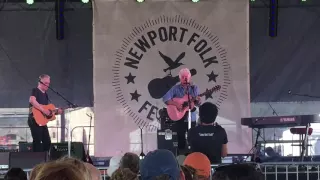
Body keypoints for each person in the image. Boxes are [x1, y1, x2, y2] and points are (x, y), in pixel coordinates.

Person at [162, 68, 201, 154]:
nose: (185, 79)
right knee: (180, 137)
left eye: (186, 77)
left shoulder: (194, 88)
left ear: (190, 77)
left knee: (193, 137)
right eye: (183, 77)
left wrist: (198, 100)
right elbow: (166, 99)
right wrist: (176, 104)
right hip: (179, 116)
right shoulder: (175, 88)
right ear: (180, 78)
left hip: (192, 116)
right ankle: (181, 157)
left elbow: (197, 104)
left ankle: (193, 156)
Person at [28, 74, 62, 152]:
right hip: (34, 120)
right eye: (45, 83)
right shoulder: (35, 90)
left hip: (42, 121)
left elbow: (47, 112)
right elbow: (32, 100)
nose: (48, 85)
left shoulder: (46, 95)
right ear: (40, 82)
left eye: (48, 83)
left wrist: (56, 112)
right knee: (38, 142)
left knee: (47, 142)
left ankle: (45, 160)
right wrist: (44, 110)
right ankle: (37, 161)